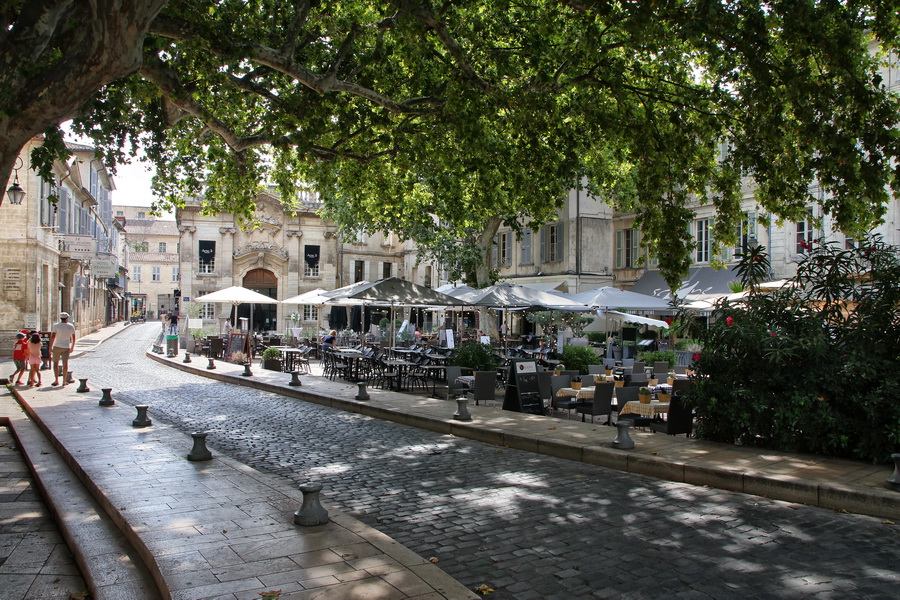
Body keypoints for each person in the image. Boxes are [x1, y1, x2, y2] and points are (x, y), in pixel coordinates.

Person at [50, 312, 77, 386]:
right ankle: (64, 381)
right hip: (66, 347)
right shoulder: (70, 326)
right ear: (67, 318)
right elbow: (73, 337)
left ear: (60, 318)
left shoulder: (56, 326)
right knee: (65, 364)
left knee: (55, 363)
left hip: (57, 346)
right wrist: (72, 347)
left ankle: (56, 380)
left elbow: (53, 336)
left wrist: (50, 347)